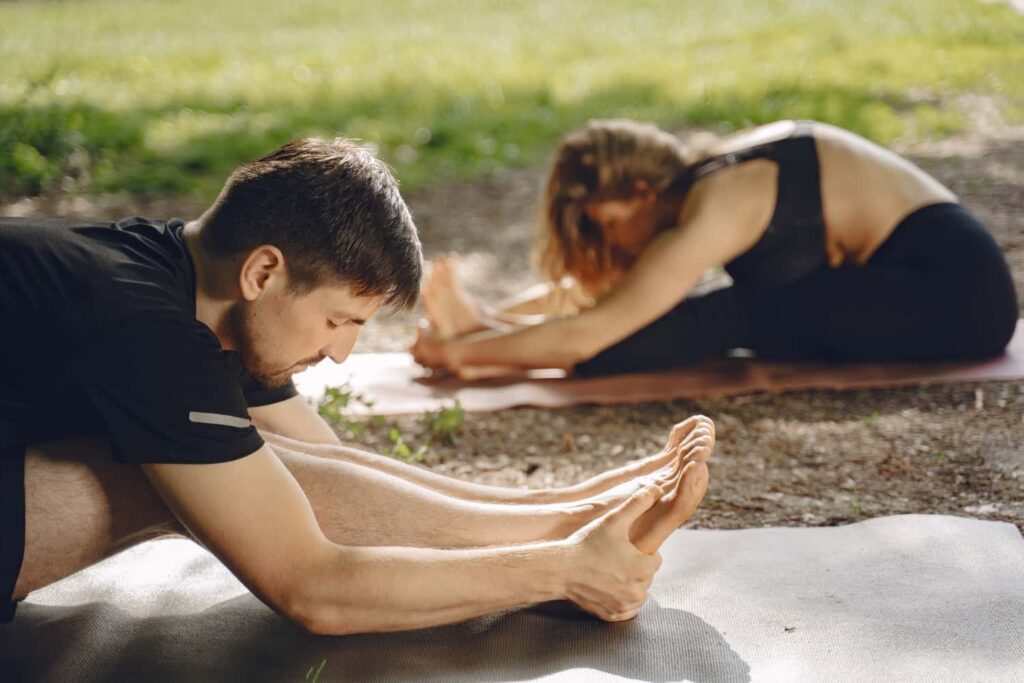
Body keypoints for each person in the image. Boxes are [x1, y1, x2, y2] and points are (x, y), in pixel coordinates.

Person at [0, 137, 713, 635]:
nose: (341, 355)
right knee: (141, 476)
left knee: (265, 470)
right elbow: (313, 587)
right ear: (264, 272)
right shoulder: (142, 324)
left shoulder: (189, 281)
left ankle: (565, 517)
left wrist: (558, 508)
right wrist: (559, 570)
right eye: (339, 320)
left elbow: (330, 470)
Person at [411, 119, 1019, 377]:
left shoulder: (722, 201)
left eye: (608, 224)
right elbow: (612, 299)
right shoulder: (709, 182)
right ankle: (480, 328)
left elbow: (591, 329)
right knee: (737, 307)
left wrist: (462, 356)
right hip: (924, 285)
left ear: (645, 194)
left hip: (956, 298)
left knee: (737, 313)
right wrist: (490, 325)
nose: (608, 241)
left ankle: (475, 336)